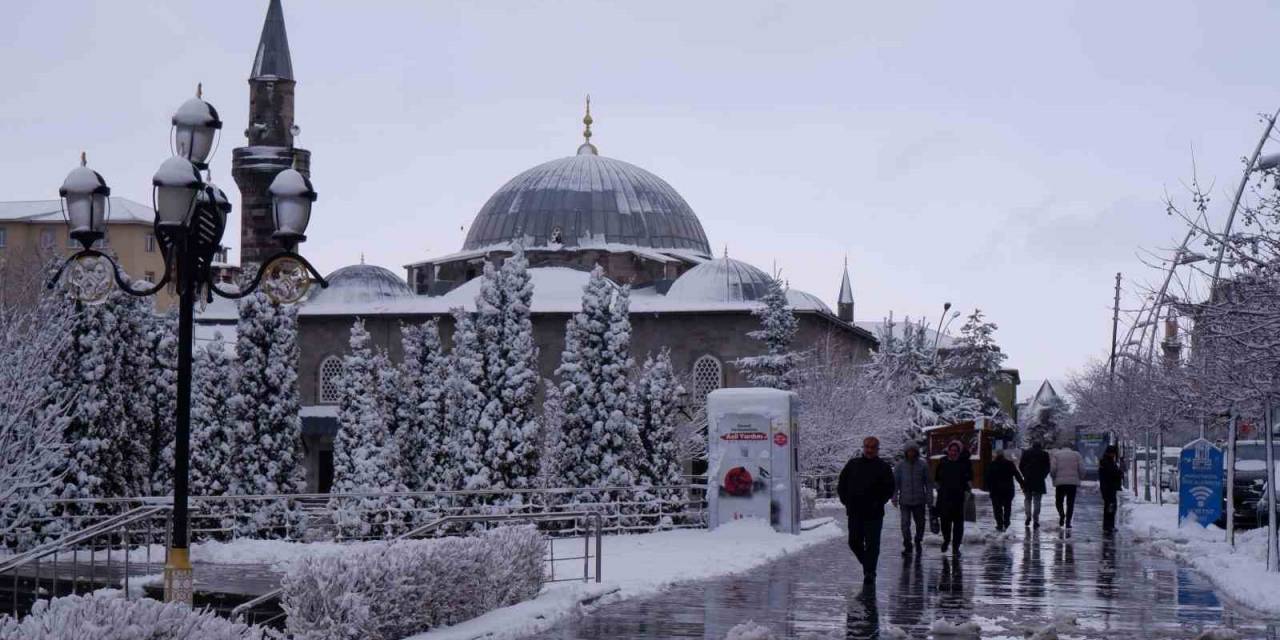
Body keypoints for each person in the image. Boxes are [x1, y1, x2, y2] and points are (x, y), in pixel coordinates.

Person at [838, 436, 895, 585]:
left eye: (873, 447)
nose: (869, 450)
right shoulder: (853, 464)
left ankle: (870, 572)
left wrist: (879, 502)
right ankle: (867, 564)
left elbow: (889, 488)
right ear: (863, 448)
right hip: (855, 511)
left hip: (874, 513)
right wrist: (846, 501)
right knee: (853, 542)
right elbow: (842, 483)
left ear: (877, 449)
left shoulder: (883, 467)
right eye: (867, 446)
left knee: (872, 544)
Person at [893, 443, 934, 555]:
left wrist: (929, 498)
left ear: (916, 452)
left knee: (920, 523)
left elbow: (929, 483)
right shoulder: (900, 466)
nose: (911, 453)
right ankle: (907, 543)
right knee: (905, 524)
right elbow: (895, 484)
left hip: (919, 500)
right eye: (909, 451)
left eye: (913, 451)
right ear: (906, 452)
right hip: (905, 501)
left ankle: (918, 539)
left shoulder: (923, 465)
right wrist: (894, 496)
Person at [933, 440, 972, 555]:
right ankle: (946, 540)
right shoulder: (943, 462)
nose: (953, 453)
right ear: (948, 451)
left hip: (958, 498)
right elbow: (937, 478)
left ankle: (956, 547)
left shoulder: (964, 464)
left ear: (959, 452)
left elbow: (969, 479)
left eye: (956, 451)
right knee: (945, 523)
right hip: (944, 497)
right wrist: (938, 487)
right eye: (951, 450)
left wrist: (967, 490)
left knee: (958, 525)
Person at [983, 449, 1024, 531]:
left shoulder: (992, 464)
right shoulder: (1009, 464)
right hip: (1008, 490)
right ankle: (1007, 522)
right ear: (1003, 455)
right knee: (1007, 507)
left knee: (997, 508)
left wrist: (987, 487)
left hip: (995, 490)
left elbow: (987, 477)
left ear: (996, 455)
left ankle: (999, 524)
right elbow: (1017, 474)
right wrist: (1022, 484)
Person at [1050, 444, 1085, 528]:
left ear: (1062, 447)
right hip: (1072, 483)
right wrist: (1080, 477)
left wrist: (1054, 477)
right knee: (1070, 503)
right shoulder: (1077, 455)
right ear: (1071, 447)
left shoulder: (1056, 455)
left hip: (1060, 483)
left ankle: (1062, 514)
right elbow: (1082, 468)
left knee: (1059, 501)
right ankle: (1068, 522)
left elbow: (1053, 469)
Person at [1018, 441, 1051, 529]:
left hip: (1028, 479)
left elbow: (1020, 465)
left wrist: (1025, 474)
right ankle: (1036, 519)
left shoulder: (1026, 453)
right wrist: (1043, 475)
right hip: (1039, 480)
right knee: (1037, 500)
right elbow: (1048, 467)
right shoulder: (1044, 454)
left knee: (1027, 499)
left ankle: (1028, 515)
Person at [1098, 445, 1124, 533]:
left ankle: (1108, 525)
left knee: (1109, 506)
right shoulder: (1107, 462)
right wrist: (1119, 472)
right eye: (1113, 453)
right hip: (1109, 488)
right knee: (1111, 506)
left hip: (1107, 487)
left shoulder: (1105, 461)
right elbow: (1113, 473)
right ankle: (1109, 525)